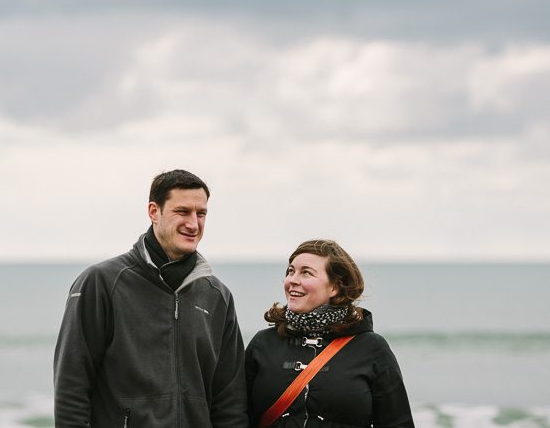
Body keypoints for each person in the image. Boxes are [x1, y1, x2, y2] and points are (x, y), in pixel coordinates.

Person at [54, 169, 248, 428]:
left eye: (201, 214)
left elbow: (230, 401)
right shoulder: (102, 283)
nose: (194, 223)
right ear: (154, 212)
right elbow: (72, 385)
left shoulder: (217, 296)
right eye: (182, 212)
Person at [245, 240, 415, 428]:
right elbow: (234, 415)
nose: (292, 280)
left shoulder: (372, 348)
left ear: (334, 288)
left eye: (306, 272)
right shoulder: (263, 343)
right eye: (291, 271)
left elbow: (398, 423)